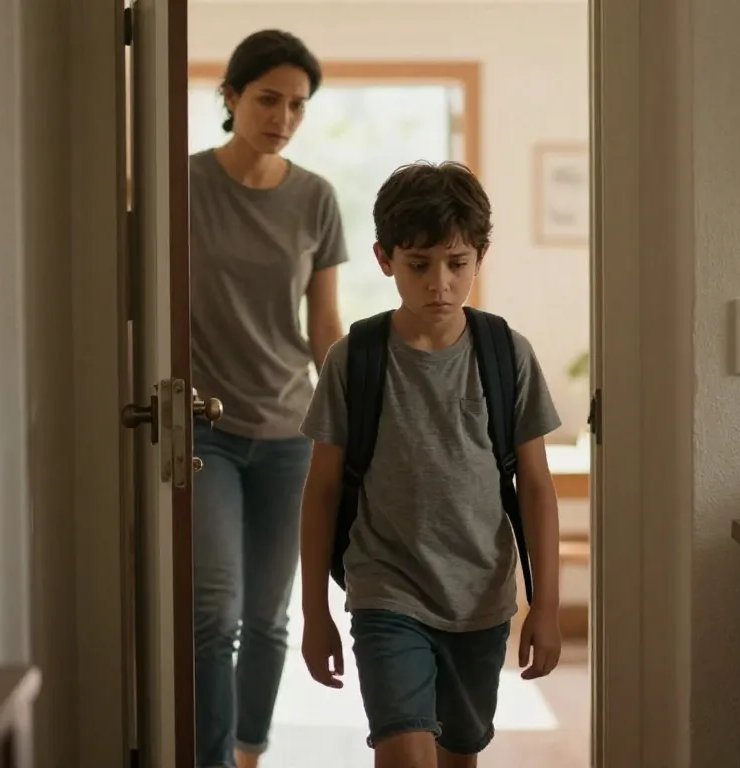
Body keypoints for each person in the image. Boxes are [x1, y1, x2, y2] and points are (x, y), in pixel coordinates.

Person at [297, 161, 563, 768]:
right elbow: (321, 492)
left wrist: (544, 605)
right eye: (418, 265)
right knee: (406, 756)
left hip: (481, 599)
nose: (439, 283)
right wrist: (315, 612)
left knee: (457, 756)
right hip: (385, 589)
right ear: (385, 258)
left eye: (456, 263)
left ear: (479, 256)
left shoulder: (505, 354)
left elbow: (537, 489)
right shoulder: (354, 359)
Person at [189, 29, 347, 768]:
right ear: (229, 97)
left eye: (297, 105)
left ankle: (252, 753)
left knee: (269, 617)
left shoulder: (315, 198)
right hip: (202, 430)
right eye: (267, 98)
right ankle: (213, 760)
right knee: (212, 614)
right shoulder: (179, 185)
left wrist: (352, 418)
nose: (282, 116)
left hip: (291, 431)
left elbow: (323, 325)